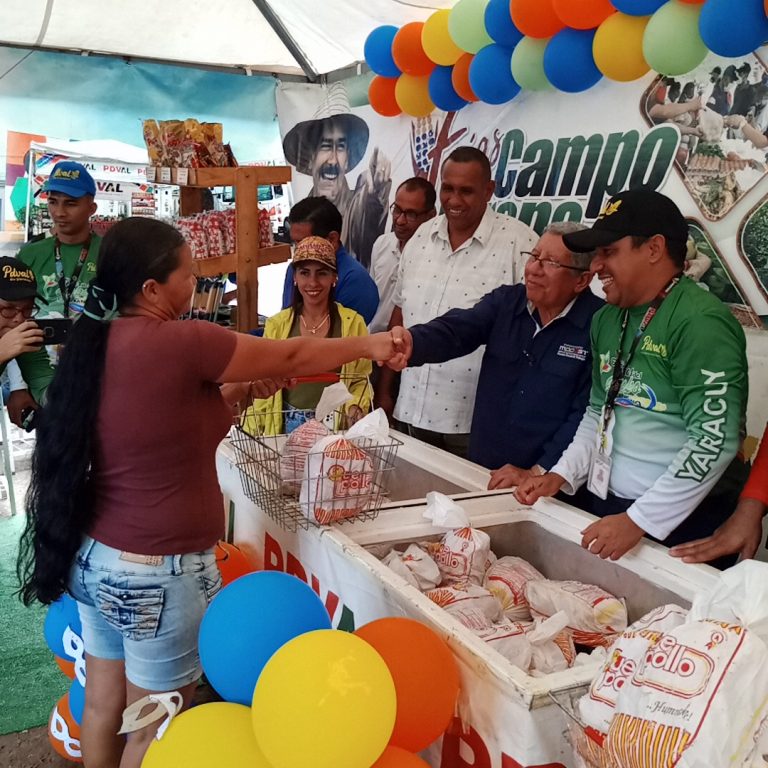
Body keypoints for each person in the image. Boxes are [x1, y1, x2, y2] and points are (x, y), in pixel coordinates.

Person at [16, 217, 401, 768]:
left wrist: (240, 391)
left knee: (102, 706)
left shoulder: (95, 341)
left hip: (96, 555)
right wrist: (375, 343)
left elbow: (170, 429)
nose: (196, 283)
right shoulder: (182, 340)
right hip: (154, 571)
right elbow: (293, 355)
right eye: (188, 274)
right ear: (152, 289)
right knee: (153, 730)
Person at [515, 190, 749, 567]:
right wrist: (561, 474)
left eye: (608, 252)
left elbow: (714, 438)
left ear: (654, 248)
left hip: (681, 523)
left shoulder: (700, 322)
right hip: (611, 506)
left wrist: (639, 520)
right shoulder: (607, 318)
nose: (597, 265)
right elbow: (598, 412)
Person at [387, 223, 603, 488]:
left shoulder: (599, 327)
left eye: (550, 263)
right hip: (483, 472)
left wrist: (538, 472)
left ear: (582, 280)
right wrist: (412, 342)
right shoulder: (507, 302)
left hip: (544, 486)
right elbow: (458, 330)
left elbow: (586, 414)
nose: (534, 269)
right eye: (534, 256)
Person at [379, 146, 537, 457]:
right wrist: (386, 390)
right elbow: (400, 314)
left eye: (466, 191)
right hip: (411, 409)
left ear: (489, 190)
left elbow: (535, 332)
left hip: (477, 421)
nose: (453, 200)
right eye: (447, 189)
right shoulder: (420, 238)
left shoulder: (520, 244)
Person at [247, 236, 372, 434]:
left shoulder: (353, 324)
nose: (313, 282)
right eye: (304, 273)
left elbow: (361, 380)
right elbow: (264, 383)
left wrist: (355, 407)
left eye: (322, 273)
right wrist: (250, 430)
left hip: (334, 427)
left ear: (334, 278)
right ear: (295, 278)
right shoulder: (277, 325)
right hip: (285, 425)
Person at [8, 160, 100, 426]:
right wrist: (18, 387)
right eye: (53, 201)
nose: (59, 212)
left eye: (70, 203)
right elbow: (10, 322)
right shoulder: (29, 255)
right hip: (39, 377)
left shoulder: (110, 253)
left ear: (91, 208)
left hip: (96, 377)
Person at [282, 83, 391, 270]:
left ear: (347, 160)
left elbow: (370, 209)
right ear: (310, 159)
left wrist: (377, 190)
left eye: (340, 147)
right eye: (325, 147)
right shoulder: (301, 214)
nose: (332, 159)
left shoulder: (360, 204)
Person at [281, 197, 379, 325]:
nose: (298, 250)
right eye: (295, 243)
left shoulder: (357, 282)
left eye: (303, 242)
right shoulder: (294, 268)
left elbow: (342, 335)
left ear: (332, 239)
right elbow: (286, 324)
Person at [368, 177, 437, 334]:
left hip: (409, 343)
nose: (400, 220)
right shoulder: (382, 244)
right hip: (373, 339)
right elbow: (371, 296)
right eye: (397, 210)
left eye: (411, 214)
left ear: (431, 216)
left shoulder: (435, 258)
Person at [0, 257, 53, 410]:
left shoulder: (26, 331)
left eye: (28, 309)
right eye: (8, 308)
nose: (19, 319)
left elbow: (43, 383)